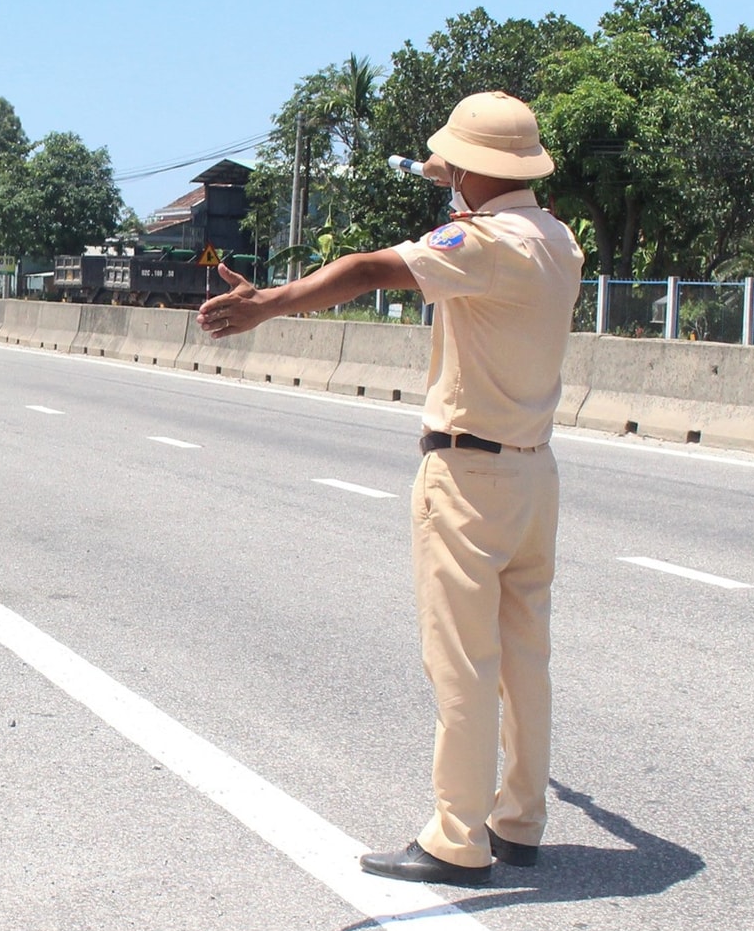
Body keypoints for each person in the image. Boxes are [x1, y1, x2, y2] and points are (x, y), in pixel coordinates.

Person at [198, 90, 584, 886]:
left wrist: (270, 301)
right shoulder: (556, 239)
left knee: (463, 664)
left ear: (472, 173)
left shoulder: (477, 243)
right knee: (524, 657)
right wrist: (455, 170)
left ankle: (455, 837)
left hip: (467, 472)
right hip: (534, 473)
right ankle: (520, 820)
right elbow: (474, 189)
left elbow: (373, 267)